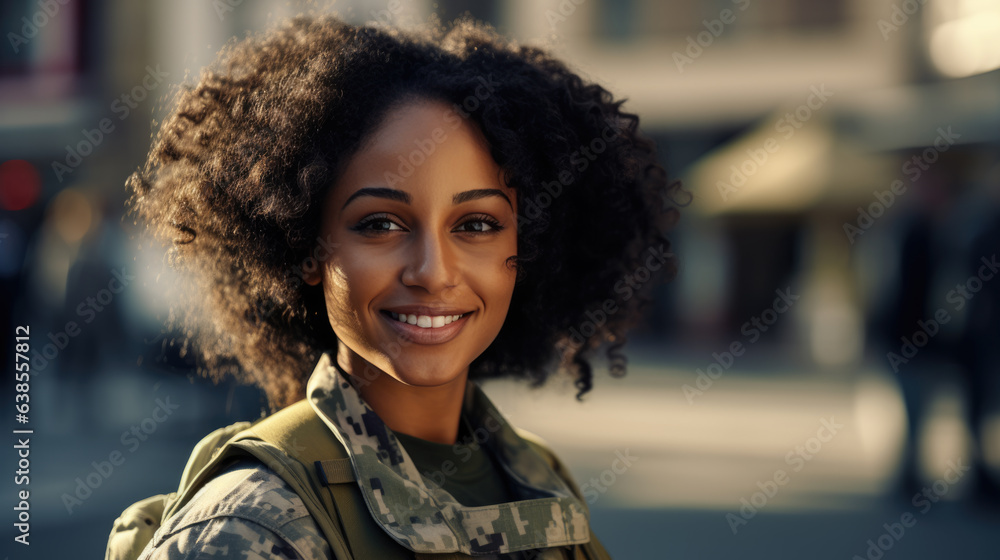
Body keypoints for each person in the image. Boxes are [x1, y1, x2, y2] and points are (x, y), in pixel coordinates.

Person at [122, 12, 681, 560]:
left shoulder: (541, 482)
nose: (434, 271)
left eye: (477, 225)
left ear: (525, 250)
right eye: (380, 224)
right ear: (307, 248)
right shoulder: (249, 525)